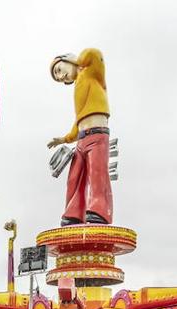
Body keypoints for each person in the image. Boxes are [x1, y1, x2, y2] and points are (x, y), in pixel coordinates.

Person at [47, 48, 113, 226]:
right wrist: (64, 139)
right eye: (58, 77)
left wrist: (78, 60)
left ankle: (99, 210)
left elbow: (94, 54)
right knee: (75, 176)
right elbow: (79, 118)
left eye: (59, 70)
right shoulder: (79, 86)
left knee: (97, 173)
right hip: (82, 137)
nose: (61, 77)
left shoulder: (90, 72)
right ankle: (73, 212)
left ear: (67, 59)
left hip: (98, 134)